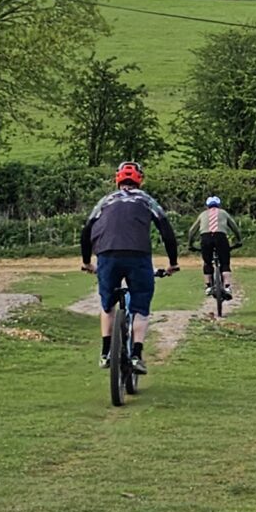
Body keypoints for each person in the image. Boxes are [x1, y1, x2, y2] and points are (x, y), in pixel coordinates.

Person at [80, 161, 179, 375]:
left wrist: (87, 261)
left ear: (117, 180)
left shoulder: (105, 200)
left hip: (107, 254)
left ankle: (106, 352)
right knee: (140, 307)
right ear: (139, 180)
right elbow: (166, 229)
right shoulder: (146, 200)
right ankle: (136, 354)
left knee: (107, 305)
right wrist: (172, 262)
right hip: (138, 255)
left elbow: (87, 230)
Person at [196, 193, 240, 301]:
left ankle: (208, 286)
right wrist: (239, 240)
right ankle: (227, 287)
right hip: (220, 237)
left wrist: (190, 243)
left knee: (207, 262)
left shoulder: (203, 214)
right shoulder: (223, 213)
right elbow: (234, 227)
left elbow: (192, 230)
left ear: (207, 206)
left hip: (205, 238)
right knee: (225, 262)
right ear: (219, 205)